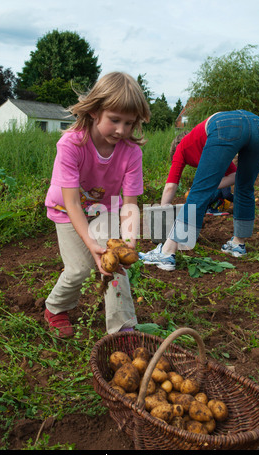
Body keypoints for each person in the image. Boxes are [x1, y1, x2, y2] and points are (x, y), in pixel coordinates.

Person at [44, 72, 151, 337]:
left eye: (129, 123)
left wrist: (129, 241)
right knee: (80, 268)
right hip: (67, 211)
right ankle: (56, 308)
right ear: (94, 111)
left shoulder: (131, 152)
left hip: (104, 211)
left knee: (116, 264)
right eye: (114, 120)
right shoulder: (71, 144)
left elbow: (129, 203)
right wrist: (92, 246)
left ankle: (122, 329)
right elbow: (71, 203)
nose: (121, 130)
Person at [139, 110, 259, 271]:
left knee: (198, 190)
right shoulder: (211, 145)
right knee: (245, 186)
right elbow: (235, 176)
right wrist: (211, 184)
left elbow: (171, 186)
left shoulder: (182, 146)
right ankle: (238, 244)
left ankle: (166, 253)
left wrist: (162, 213)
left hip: (226, 125)